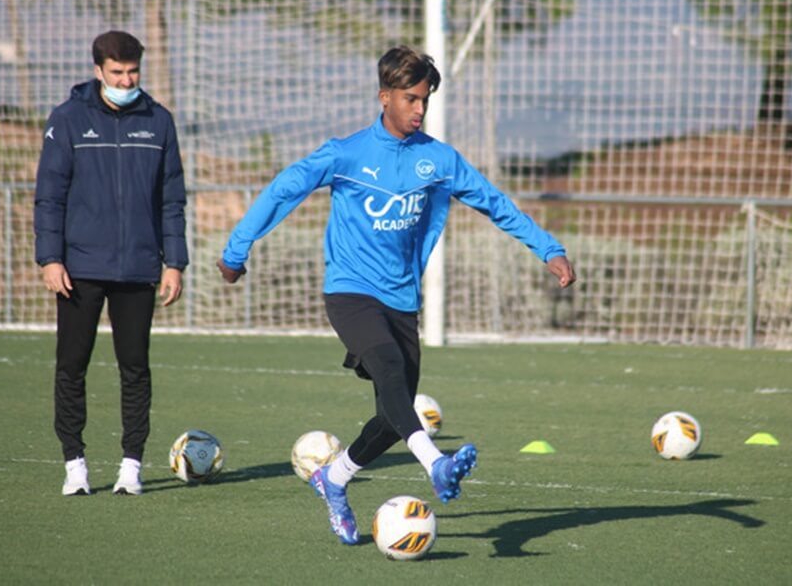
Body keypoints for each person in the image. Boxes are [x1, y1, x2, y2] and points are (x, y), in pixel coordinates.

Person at [217, 45, 575, 544]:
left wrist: (548, 249)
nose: (420, 110)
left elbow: (495, 204)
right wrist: (236, 252)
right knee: (387, 368)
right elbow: (283, 189)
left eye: (425, 99)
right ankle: (436, 465)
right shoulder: (345, 153)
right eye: (410, 99)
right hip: (349, 291)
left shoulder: (439, 160)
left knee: (393, 412)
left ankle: (333, 479)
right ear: (384, 97)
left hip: (401, 299)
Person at [34, 31, 188, 496]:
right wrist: (50, 258)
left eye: (133, 71)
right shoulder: (67, 120)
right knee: (71, 365)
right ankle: (74, 465)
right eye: (117, 72)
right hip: (79, 268)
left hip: (139, 268)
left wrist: (174, 262)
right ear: (98, 71)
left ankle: (131, 466)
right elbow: (49, 197)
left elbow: (171, 199)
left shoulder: (159, 122)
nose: (126, 79)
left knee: (135, 368)